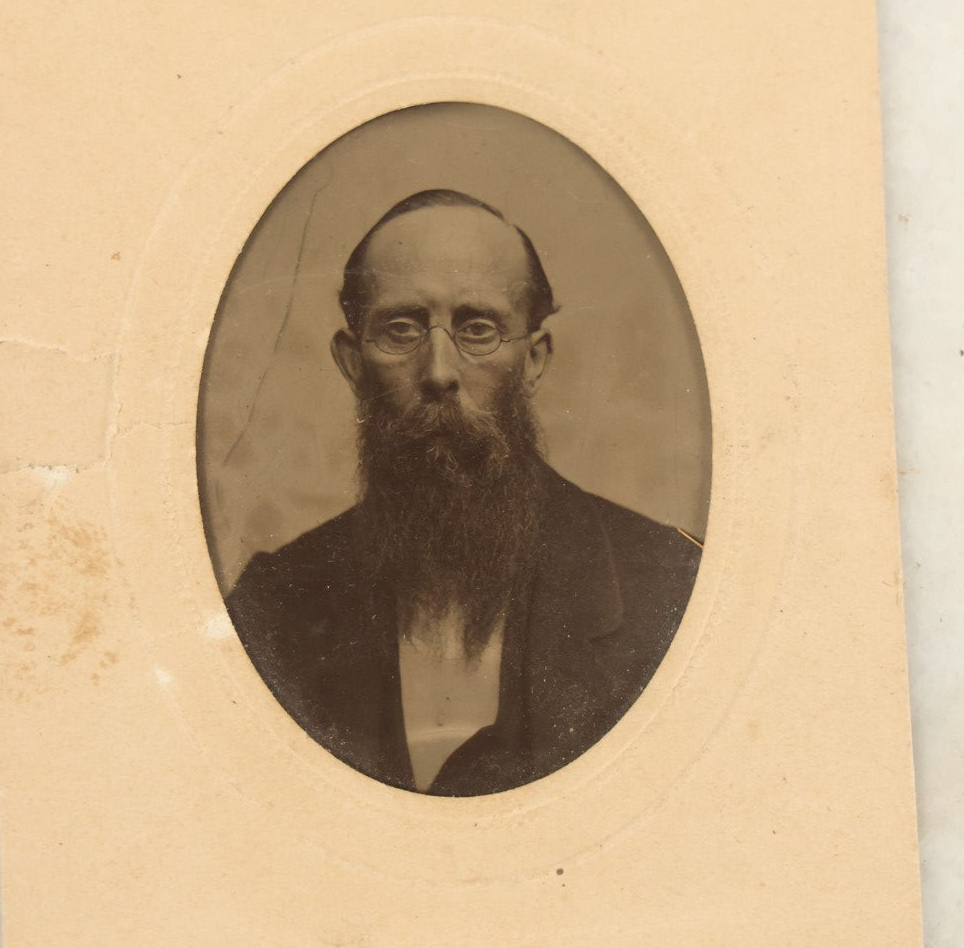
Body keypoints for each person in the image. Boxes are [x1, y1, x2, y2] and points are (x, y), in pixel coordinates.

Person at [226, 189, 702, 796]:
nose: (440, 373)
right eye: (401, 330)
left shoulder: (666, 587)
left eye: (478, 329)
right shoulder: (272, 607)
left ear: (533, 360)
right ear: (352, 362)